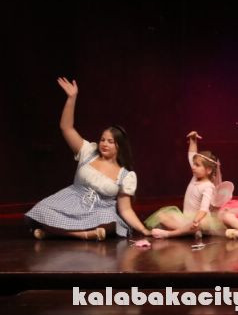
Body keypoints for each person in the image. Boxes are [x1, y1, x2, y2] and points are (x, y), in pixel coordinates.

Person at [25, 77, 150, 240]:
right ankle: (83, 235)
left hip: (98, 211)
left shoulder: (125, 176)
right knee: (43, 211)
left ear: (119, 146)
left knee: (111, 222)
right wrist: (72, 98)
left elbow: (125, 209)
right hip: (71, 201)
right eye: (103, 139)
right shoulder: (88, 151)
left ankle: (54, 232)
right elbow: (66, 128)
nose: (104, 144)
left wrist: (144, 230)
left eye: (110, 141)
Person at [147, 131, 226, 238]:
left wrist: (196, 220)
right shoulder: (195, 178)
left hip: (200, 219)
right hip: (186, 219)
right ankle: (189, 231)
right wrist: (193, 141)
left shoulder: (208, 186)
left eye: (197, 165)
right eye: (194, 164)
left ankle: (170, 234)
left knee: (201, 223)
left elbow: (204, 208)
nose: (193, 167)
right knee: (161, 216)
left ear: (208, 170)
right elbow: (192, 155)